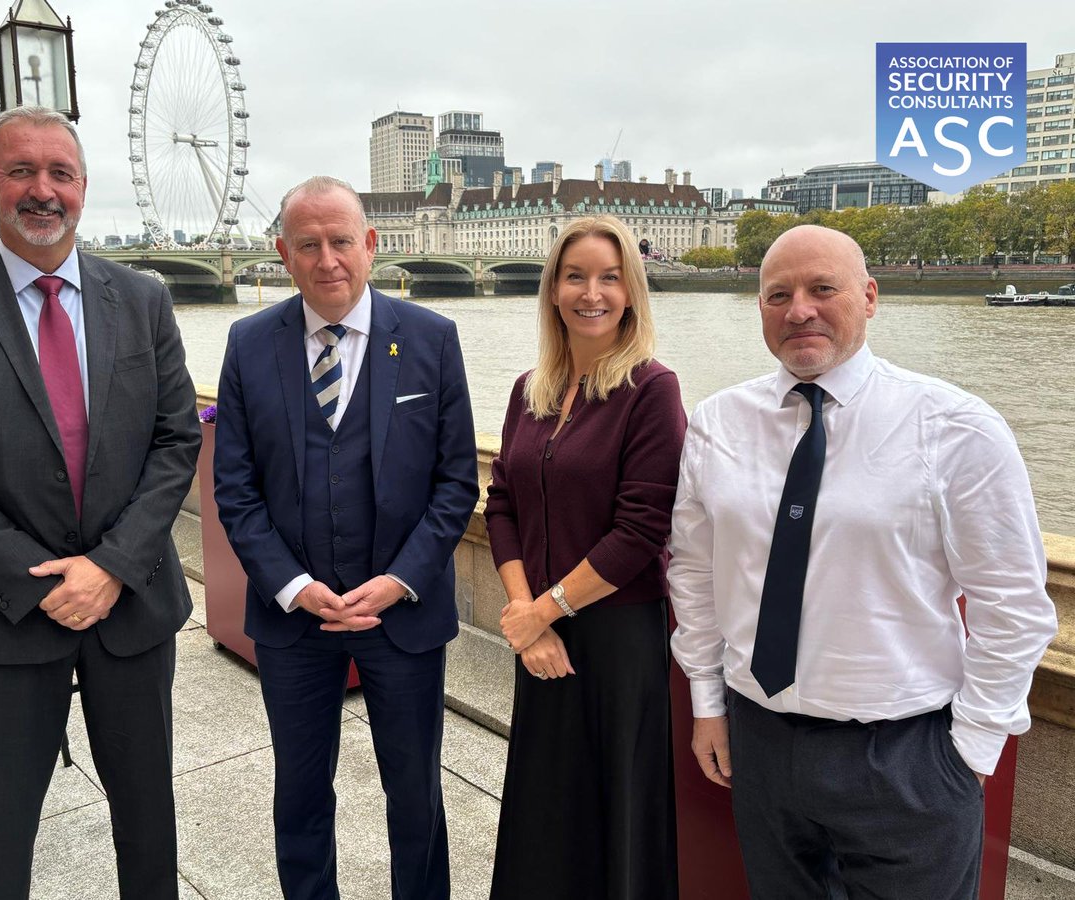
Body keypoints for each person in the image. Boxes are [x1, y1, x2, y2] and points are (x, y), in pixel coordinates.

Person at [667, 224, 1057, 899]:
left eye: (823, 289)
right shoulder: (717, 423)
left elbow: (1013, 605)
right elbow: (696, 574)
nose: (799, 311)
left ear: (870, 297)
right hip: (759, 740)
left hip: (905, 758)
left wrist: (969, 751)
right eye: (778, 295)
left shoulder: (956, 426)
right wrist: (708, 702)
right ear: (759, 307)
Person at [0, 106, 201, 900]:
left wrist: (111, 567)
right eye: (21, 171)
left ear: (84, 187)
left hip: (131, 607)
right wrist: (40, 582)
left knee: (149, 823)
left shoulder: (143, 298)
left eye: (61, 173)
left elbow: (175, 442)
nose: (42, 190)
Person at [212, 176, 479, 900]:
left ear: (371, 244)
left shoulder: (432, 339)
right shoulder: (247, 344)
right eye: (308, 244)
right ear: (282, 254)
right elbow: (235, 489)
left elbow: (457, 483)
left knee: (415, 795)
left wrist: (398, 582)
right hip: (293, 624)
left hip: (403, 617)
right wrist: (294, 587)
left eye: (340, 241)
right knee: (300, 794)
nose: (326, 259)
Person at [486, 215, 685, 900]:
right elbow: (502, 505)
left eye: (609, 278)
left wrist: (543, 612)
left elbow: (641, 530)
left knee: (613, 810)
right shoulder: (529, 390)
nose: (591, 293)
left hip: (615, 636)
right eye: (575, 277)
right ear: (553, 290)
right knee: (544, 807)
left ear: (631, 293)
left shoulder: (652, 389)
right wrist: (528, 617)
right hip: (540, 631)